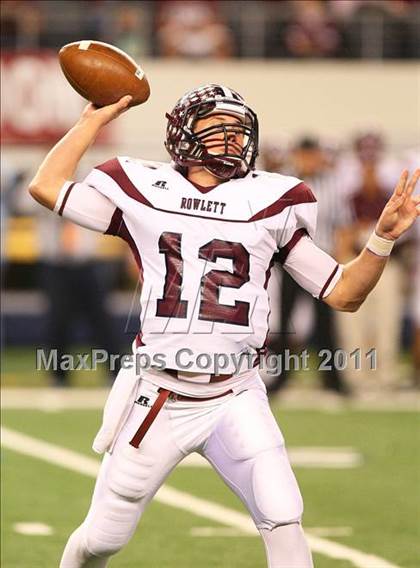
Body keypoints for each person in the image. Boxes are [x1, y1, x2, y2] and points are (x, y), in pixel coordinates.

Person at [28, 84, 419, 568]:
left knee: (283, 516)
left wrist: (380, 240)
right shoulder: (141, 186)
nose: (233, 139)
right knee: (102, 539)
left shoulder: (271, 200)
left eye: (239, 130)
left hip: (236, 394)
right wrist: (91, 121)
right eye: (219, 127)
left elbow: (344, 293)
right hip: (159, 395)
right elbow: (46, 186)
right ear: (184, 134)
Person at [266, 137, 352, 396]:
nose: (308, 160)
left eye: (312, 155)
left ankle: (333, 380)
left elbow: (343, 225)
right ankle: (280, 377)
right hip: (291, 261)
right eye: (304, 155)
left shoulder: (333, 184)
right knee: (285, 321)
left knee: (327, 323)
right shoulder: (286, 183)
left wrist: (339, 260)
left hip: (322, 260)